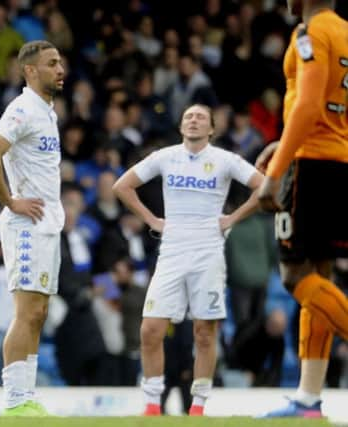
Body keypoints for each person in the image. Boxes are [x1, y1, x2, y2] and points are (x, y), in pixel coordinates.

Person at [112, 103, 264, 416]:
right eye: (188, 117)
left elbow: (264, 187)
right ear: (182, 127)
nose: (193, 121)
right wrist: (152, 219)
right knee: (150, 329)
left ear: (211, 129)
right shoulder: (165, 157)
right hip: (171, 250)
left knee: (204, 332)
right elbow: (122, 186)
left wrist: (231, 218)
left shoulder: (225, 160)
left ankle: (198, 405)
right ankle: (152, 404)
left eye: (200, 118)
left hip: (208, 251)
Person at [256, 0, 348, 418]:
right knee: (320, 275)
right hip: (338, 162)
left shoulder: (307, 34)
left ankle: (308, 398)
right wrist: (284, 144)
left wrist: (276, 172)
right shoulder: (345, 31)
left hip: (310, 166)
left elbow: (308, 105)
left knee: (294, 277)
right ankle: (309, 399)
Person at [0, 40, 64, 417]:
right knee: (26, 310)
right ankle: (14, 400)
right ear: (30, 71)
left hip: (47, 224)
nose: (60, 69)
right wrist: (11, 200)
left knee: (38, 311)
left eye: (60, 62)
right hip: (25, 224)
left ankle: (27, 396)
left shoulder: (48, 112)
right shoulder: (22, 109)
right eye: (51, 63)